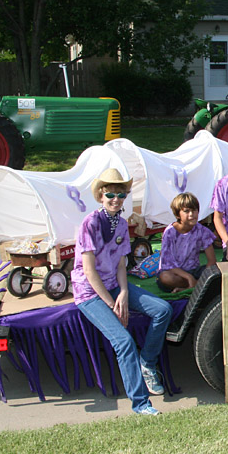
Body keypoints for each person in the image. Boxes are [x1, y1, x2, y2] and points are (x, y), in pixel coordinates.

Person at [70, 168, 172, 415]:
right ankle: (141, 404)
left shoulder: (121, 224)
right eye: (110, 195)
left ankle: (147, 361)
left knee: (163, 309)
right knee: (124, 341)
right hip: (90, 293)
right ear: (101, 196)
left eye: (121, 194)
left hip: (114, 286)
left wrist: (124, 293)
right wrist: (111, 303)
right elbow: (90, 271)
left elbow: (120, 264)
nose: (116, 199)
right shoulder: (90, 223)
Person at [157, 192, 217, 292]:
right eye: (186, 211)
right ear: (177, 214)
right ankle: (196, 285)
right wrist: (188, 277)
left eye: (194, 210)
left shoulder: (202, 231)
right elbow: (168, 264)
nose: (191, 214)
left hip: (194, 271)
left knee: (218, 271)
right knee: (165, 277)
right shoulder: (169, 232)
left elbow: (212, 261)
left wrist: (205, 274)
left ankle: (192, 285)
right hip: (175, 272)